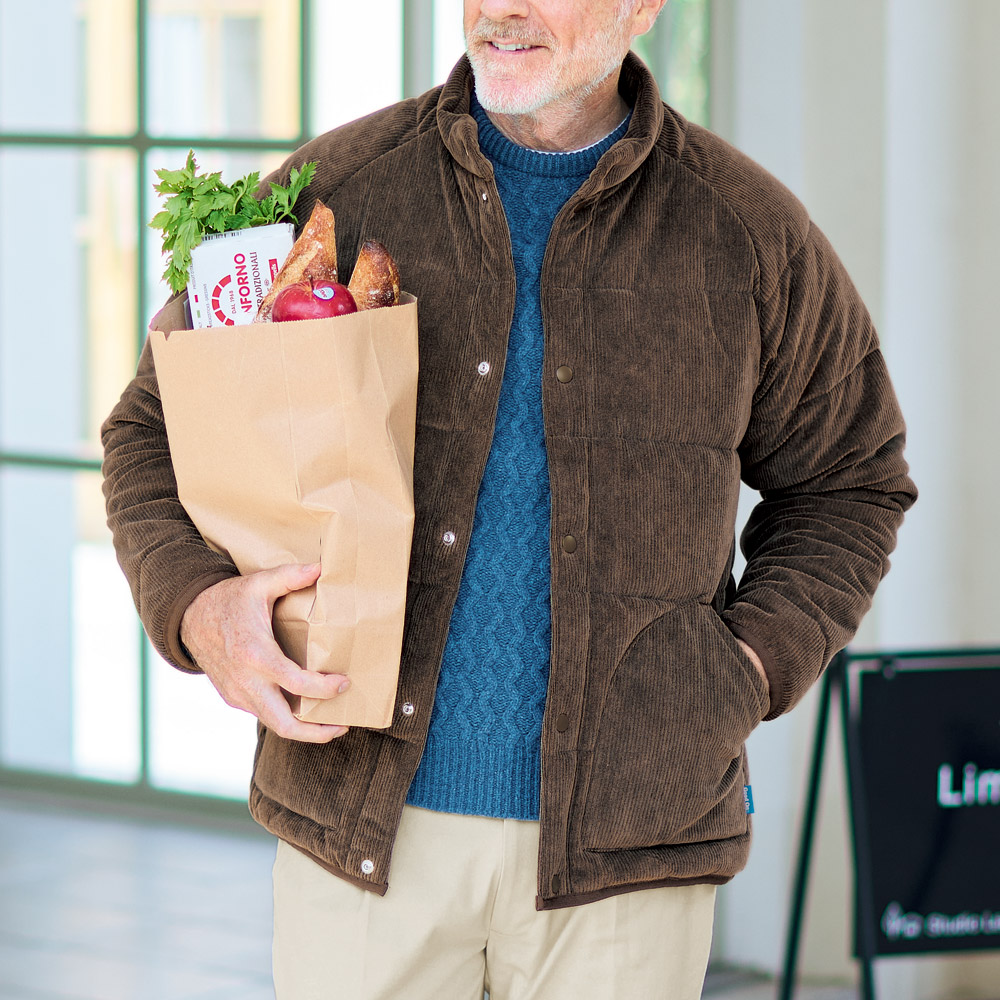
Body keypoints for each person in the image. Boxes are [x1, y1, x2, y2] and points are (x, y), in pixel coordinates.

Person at [101, 0, 917, 997]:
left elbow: (851, 480)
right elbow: (150, 428)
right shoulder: (337, 194)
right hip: (361, 834)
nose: (502, 7)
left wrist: (739, 670)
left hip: (627, 853)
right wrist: (199, 607)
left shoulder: (746, 233)